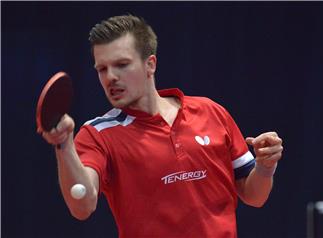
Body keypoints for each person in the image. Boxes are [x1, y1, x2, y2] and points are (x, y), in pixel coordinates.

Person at [41, 15, 283, 238]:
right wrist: (64, 144)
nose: (110, 77)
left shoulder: (211, 112)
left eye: (122, 65)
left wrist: (265, 167)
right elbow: (82, 204)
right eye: (102, 69)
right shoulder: (98, 134)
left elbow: (254, 196)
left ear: (151, 65)